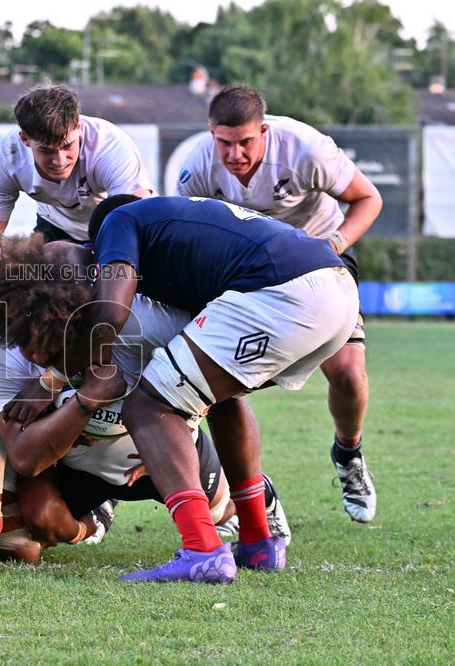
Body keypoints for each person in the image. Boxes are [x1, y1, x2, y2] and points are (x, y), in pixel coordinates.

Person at [2, 195, 357, 584]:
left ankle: (202, 549)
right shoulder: (179, 242)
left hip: (284, 293)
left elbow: (112, 313)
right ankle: (258, 540)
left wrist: (50, 379)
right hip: (335, 290)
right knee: (221, 396)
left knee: (147, 409)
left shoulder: (118, 224)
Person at [0, 239, 289, 551]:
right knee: (37, 526)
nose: (28, 352)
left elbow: (222, 377)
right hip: (76, 464)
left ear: (73, 322)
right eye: (21, 336)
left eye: (41, 340)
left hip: (153, 454)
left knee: (221, 510)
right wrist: (88, 400)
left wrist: (186, 421)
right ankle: (98, 518)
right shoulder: (8, 351)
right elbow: (24, 458)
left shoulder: (137, 327)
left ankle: (264, 495)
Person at [176, 84, 380, 523]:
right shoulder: (198, 167)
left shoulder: (305, 148)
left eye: (245, 142)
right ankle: (247, 498)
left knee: (347, 373)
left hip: (318, 260)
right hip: (247, 271)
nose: (234, 154)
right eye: (223, 143)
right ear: (211, 134)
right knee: (210, 386)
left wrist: (334, 243)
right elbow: (191, 234)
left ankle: (349, 455)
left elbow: (369, 198)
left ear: (264, 131)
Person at [0, 84, 154, 243]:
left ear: (78, 127)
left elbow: (137, 217)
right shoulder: (8, 158)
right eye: (46, 150)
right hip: (55, 225)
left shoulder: (109, 146)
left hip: (114, 225)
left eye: (67, 146)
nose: (59, 160)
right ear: (25, 139)